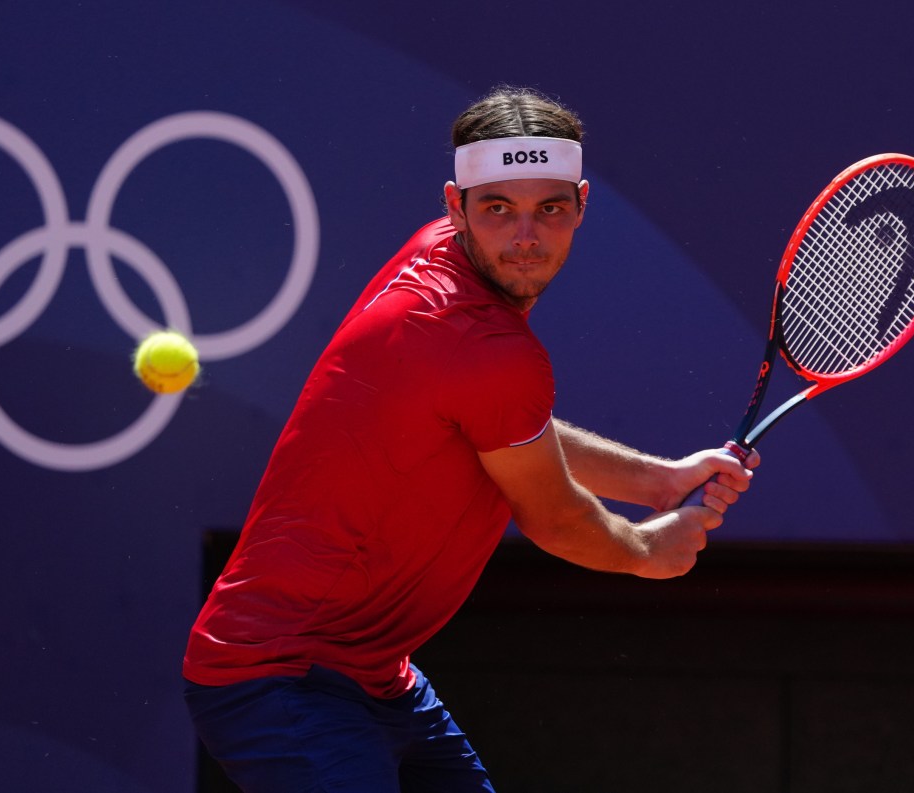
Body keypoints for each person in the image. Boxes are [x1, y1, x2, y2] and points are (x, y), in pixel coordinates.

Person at [183, 85, 759, 793]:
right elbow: (556, 518)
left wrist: (659, 480)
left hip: (376, 675)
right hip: (278, 675)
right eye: (498, 209)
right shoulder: (486, 349)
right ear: (456, 207)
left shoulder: (442, 268)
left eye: (549, 209)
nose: (525, 236)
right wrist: (648, 551)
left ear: (581, 204)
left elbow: (506, 431)